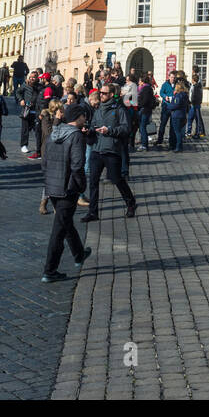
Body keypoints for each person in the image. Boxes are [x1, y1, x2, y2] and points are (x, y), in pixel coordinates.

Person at [40, 103, 93, 281]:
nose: (85, 119)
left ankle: (78, 254)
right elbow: (77, 166)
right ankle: (50, 270)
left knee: (65, 221)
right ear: (78, 117)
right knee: (59, 229)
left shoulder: (54, 133)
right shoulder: (76, 136)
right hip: (67, 187)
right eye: (84, 116)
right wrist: (80, 186)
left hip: (52, 186)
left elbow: (44, 161)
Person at [80, 84, 137, 223]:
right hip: (97, 149)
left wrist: (110, 130)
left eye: (104, 93)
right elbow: (94, 125)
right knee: (93, 182)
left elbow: (126, 129)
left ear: (111, 94)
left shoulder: (119, 109)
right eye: (100, 93)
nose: (101, 95)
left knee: (116, 179)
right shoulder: (98, 109)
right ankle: (93, 212)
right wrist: (88, 131)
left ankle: (131, 202)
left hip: (111, 150)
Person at [19, 73, 42, 158]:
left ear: (37, 78)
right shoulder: (25, 85)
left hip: (36, 111)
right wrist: (21, 100)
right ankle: (24, 145)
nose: (32, 79)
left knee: (37, 130)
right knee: (25, 129)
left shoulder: (40, 87)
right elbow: (18, 92)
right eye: (30, 77)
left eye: (34, 77)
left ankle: (38, 145)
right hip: (26, 110)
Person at [167, 80, 189, 152]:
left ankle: (178, 147)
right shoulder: (185, 95)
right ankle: (178, 146)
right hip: (182, 115)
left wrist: (169, 106)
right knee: (178, 131)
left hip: (177, 115)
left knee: (177, 132)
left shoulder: (178, 95)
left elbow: (176, 105)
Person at [187, 72, 206, 139]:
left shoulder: (196, 87)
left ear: (193, 80)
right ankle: (197, 133)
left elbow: (193, 96)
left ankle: (190, 133)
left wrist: (191, 102)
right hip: (196, 104)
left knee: (190, 118)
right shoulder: (198, 86)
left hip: (194, 105)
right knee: (197, 119)